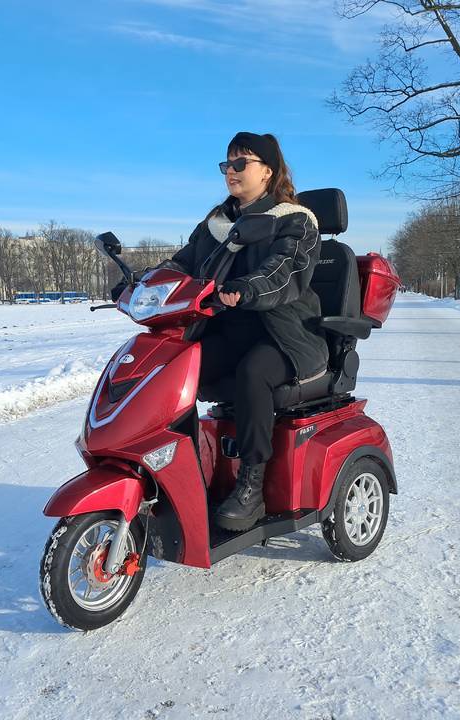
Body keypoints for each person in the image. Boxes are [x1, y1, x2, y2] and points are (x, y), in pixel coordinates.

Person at [114, 132, 327, 532]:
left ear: (267, 171)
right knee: (173, 371)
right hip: (229, 330)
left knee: (252, 372)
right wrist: (141, 285)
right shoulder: (218, 223)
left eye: (240, 163)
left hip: (286, 335)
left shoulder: (296, 221)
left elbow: (284, 274)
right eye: (227, 164)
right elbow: (182, 264)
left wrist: (248, 287)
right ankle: (186, 473)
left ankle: (252, 485)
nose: (231, 171)